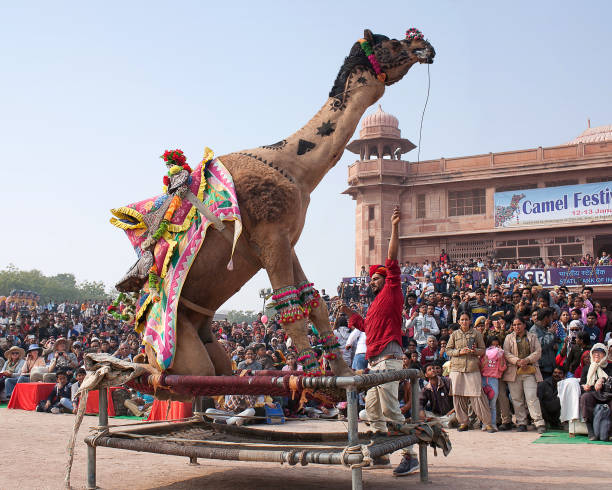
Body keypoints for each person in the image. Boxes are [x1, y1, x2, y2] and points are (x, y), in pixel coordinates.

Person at [341, 207, 419, 476]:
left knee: (390, 409)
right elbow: (366, 327)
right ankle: (382, 453)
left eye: (376, 277)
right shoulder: (375, 306)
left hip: (388, 360)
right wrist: (352, 316)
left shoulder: (392, 290)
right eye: (372, 278)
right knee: (372, 410)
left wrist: (394, 227)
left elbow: (392, 258)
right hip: (375, 363)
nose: (372, 281)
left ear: (386, 279)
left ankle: (409, 455)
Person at [446, 311, 495, 432]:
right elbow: (448, 350)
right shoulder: (454, 334)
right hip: (457, 368)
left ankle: (487, 423)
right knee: (458, 396)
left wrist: (474, 351)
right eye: (462, 320)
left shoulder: (476, 334)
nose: (464, 322)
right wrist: (459, 352)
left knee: (477, 395)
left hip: (473, 367)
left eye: (466, 319)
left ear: (470, 321)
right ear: (458, 322)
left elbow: (482, 350)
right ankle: (463, 422)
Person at [503, 316, 546, 433]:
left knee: (531, 397)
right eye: (514, 325)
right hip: (514, 372)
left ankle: (539, 422)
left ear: (524, 325)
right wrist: (517, 361)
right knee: (517, 399)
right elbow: (506, 353)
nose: (517, 327)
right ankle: (521, 422)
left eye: (519, 324)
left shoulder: (532, 337)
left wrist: (526, 360)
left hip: (530, 371)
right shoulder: (508, 338)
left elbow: (538, 352)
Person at [579, 343, 612, 440]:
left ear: (605, 354)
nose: (597, 354)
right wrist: (585, 386)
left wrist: (602, 380)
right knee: (585, 397)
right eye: (595, 352)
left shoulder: (610, 367)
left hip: (608, 394)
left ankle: (609, 432)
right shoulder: (587, 368)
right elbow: (582, 383)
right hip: (593, 394)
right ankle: (591, 431)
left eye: (600, 352)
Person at [480, 336, 507, 431]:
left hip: (494, 380)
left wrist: (500, 358)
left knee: (493, 403)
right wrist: (485, 360)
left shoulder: (500, 355)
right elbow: (480, 368)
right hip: (483, 379)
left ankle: (493, 423)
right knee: (484, 403)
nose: (494, 347)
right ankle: (485, 424)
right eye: (492, 345)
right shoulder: (484, 354)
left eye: (496, 345)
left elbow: (502, 369)